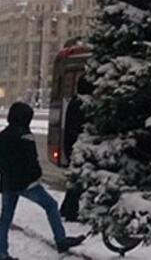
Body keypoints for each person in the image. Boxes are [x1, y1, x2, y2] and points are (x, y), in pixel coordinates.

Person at [0, 102, 85, 260]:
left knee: (5, 217)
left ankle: (2, 253)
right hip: (26, 183)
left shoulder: (3, 135)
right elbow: (31, 160)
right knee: (51, 205)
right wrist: (36, 175)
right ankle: (60, 240)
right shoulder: (25, 135)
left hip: (7, 183)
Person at [59, 76, 91, 221]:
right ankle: (71, 212)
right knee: (78, 181)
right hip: (79, 147)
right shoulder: (82, 104)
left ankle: (66, 209)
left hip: (73, 146)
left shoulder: (74, 101)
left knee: (75, 181)